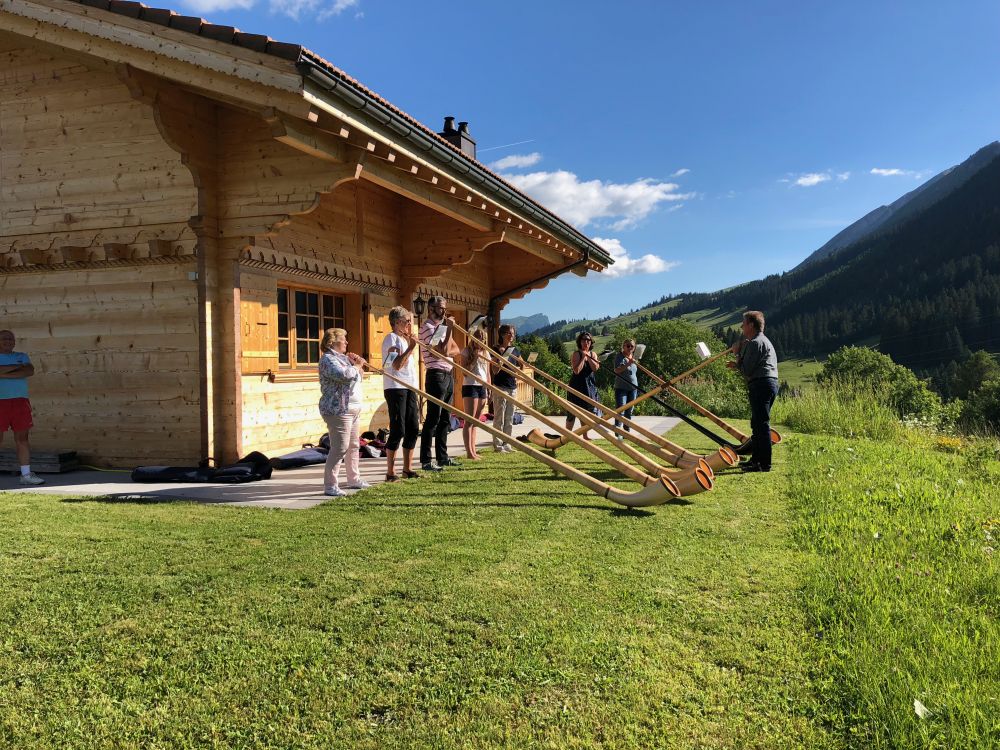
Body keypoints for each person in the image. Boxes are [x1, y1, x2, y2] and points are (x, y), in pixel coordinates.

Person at [318, 328, 370, 496]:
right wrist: (356, 366)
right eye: (343, 339)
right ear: (332, 342)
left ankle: (353, 479)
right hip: (338, 410)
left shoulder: (343, 358)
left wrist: (358, 365)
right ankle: (330, 486)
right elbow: (343, 375)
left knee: (354, 446)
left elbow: (356, 378)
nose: (347, 342)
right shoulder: (327, 359)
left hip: (353, 409)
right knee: (340, 448)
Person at [728, 310, 779, 473]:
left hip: (761, 384)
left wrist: (737, 354)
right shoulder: (762, 341)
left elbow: (747, 370)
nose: (741, 327)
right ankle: (756, 460)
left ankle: (763, 464)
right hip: (766, 383)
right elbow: (750, 366)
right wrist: (738, 364)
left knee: (761, 425)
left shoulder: (755, 343)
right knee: (757, 424)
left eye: (743, 323)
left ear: (751, 325)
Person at [418, 296, 460, 471]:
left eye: (444, 308)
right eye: (441, 308)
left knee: (445, 419)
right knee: (433, 419)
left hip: (447, 374)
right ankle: (426, 460)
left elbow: (455, 350)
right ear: (431, 309)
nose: (444, 311)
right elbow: (442, 351)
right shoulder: (427, 328)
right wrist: (449, 329)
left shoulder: (441, 328)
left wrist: (446, 337)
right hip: (436, 375)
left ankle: (442, 457)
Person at [381, 306, 421, 482]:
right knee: (398, 429)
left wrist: (410, 344)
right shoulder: (391, 338)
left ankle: (407, 469)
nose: (410, 324)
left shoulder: (404, 339)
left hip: (410, 386)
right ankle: (390, 472)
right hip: (395, 387)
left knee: (413, 427)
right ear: (397, 322)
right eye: (407, 321)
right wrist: (411, 347)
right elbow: (395, 365)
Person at [0, 330, 44, 486]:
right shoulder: (20, 361)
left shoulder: (22, 356)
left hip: (20, 402)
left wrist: (3, 372)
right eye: (4, 338)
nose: (8, 341)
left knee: (22, 439)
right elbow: (22, 370)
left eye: (11, 338)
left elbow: (29, 370)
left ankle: (26, 475)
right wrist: (17, 369)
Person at [490, 324, 522, 453]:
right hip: (500, 386)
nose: (512, 335)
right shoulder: (496, 349)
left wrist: (520, 369)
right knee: (499, 417)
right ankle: (498, 445)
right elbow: (494, 370)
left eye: (513, 333)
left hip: (512, 386)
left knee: (509, 418)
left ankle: (507, 443)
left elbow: (522, 364)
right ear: (502, 334)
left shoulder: (515, 350)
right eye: (509, 333)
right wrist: (500, 360)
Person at [460, 329, 490, 460]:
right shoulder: (466, 351)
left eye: (482, 338)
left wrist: (488, 387)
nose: (480, 340)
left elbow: (487, 372)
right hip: (470, 385)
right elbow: (464, 371)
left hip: (482, 386)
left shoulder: (486, 352)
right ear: (473, 338)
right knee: (469, 420)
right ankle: (469, 452)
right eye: (478, 337)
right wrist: (474, 358)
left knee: (476, 421)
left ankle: (473, 450)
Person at [566, 331, 600, 439]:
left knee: (586, 412)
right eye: (584, 340)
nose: (586, 342)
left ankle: (585, 435)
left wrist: (589, 357)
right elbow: (576, 371)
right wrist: (583, 357)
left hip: (589, 386)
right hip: (576, 386)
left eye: (588, 340)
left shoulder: (593, 354)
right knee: (572, 412)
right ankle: (567, 435)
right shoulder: (576, 354)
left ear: (591, 342)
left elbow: (595, 368)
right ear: (580, 342)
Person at [612, 339, 639, 432]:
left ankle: (626, 430)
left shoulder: (634, 357)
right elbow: (616, 370)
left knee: (629, 410)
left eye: (632, 346)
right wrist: (628, 363)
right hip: (621, 388)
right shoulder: (619, 356)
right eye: (628, 346)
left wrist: (632, 362)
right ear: (623, 346)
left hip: (633, 388)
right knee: (621, 409)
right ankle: (618, 431)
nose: (630, 348)